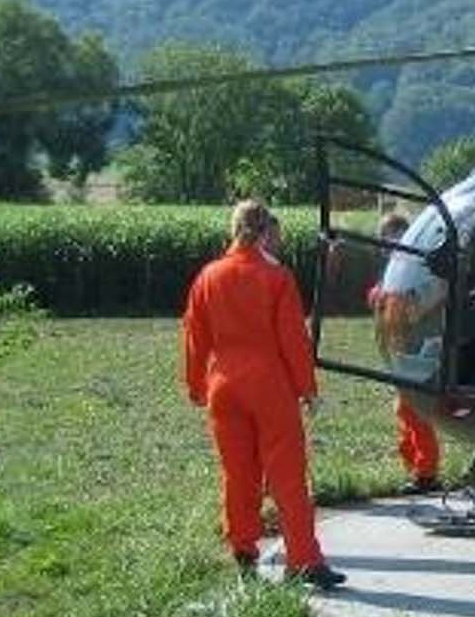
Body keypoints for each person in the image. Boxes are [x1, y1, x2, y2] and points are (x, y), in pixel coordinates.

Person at [183, 200, 345, 590]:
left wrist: (195, 385)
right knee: (287, 474)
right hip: (269, 387)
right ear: (264, 233)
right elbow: (293, 339)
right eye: (277, 235)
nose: (281, 242)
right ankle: (303, 560)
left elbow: (194, 336)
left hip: (224, 387)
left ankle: (243, 553)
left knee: (237, 474)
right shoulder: (277, 278)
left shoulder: (208, 275)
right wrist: (307, 388)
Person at [374, 211, 442, 494]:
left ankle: (426, 472)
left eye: (398, 239)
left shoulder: (423, 269)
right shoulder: (395, 272)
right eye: (388, 241)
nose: (392, 246)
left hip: (420, 345)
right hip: (400, 346)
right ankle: (416, 466)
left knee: (415, 409)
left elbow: (430, 297)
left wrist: (404, 304)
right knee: (404, 410)